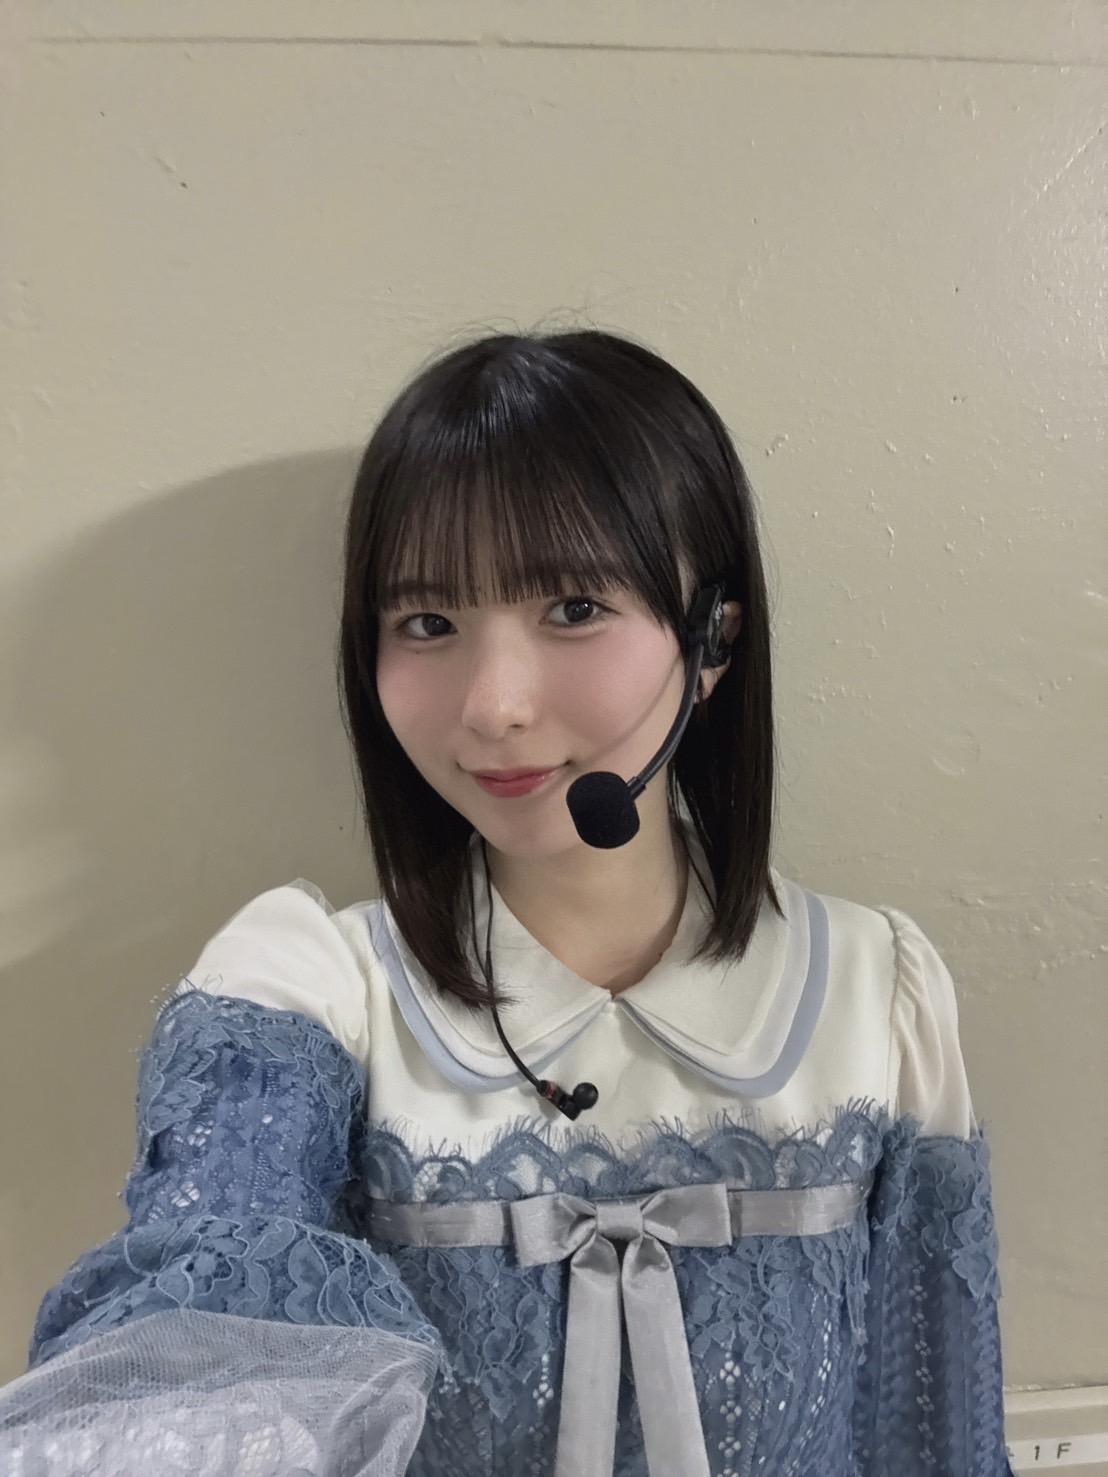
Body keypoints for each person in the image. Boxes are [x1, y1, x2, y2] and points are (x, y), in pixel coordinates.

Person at [0, 329, 1016, 1475]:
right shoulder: (308, 988)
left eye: (574, 607)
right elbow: (214, 1287)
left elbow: (935, 1426)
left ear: (712, 640)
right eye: (427, 623)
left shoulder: (879, 992)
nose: (492, 706)